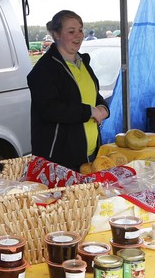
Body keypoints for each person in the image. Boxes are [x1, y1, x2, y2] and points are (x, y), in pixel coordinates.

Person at [27, 10, 109, 171]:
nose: (78, 35)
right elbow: (49, 109)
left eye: (80, 30)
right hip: (60, 159)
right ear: (56, 35)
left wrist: (103, 107)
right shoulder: (44, 69)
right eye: (71, 31)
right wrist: (88, 111)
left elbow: (92, 95)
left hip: (91, 154)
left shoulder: (83, 62)